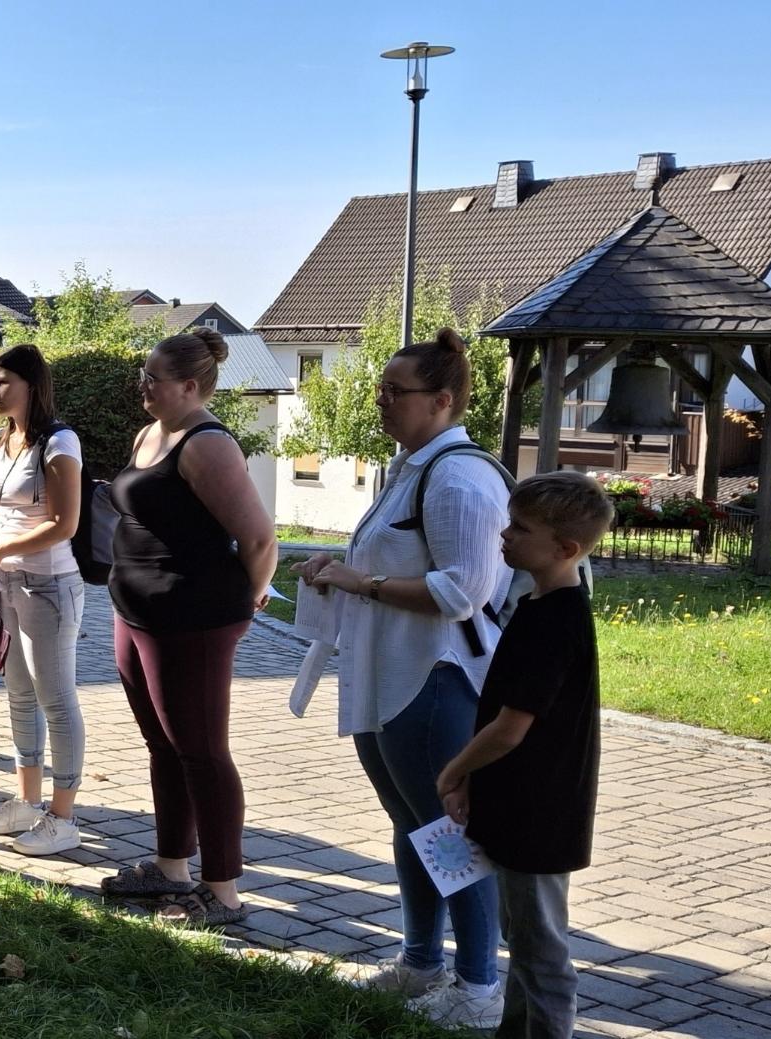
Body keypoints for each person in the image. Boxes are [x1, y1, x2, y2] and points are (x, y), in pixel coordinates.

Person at [297, 328, 512, 1026]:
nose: (382, 400)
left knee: (447, 835)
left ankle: (478, 988)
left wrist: (364, 581)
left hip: (434, 676)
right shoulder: (414, 467)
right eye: (381, 388)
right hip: (388, 671)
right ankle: (422, 961)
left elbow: (462, 591)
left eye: (397, 391)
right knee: (410, 825)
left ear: (442, 400)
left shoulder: (459, 476)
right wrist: (339, 578)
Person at [102, 329, 277, 926]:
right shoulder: (150, 434)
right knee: (164, 746)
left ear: (190, 385)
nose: (143, 386)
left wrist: (245, 602)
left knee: (201, 751)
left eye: (153, 377)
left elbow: (258, 539)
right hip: (136, 612)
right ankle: (170, 867)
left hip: (191, 618)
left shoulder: (207, 444)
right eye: (143, 375)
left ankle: (222, 891)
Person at [438, 472, 612, 1039]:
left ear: (565, 548)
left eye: (520, 527)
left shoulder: (558, 620)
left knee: (541, 951)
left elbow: (511, 729)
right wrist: (473, 785)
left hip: (542, 811)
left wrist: (454, 769)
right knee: (522, 938)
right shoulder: (536, 605)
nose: (504, 535)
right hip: (514, 802)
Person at [0, 344, 91, 858]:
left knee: (55, 697)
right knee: (19, 691)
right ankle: (28, 802)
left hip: (50, 585)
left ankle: (63, 817)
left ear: (30, 385)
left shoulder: (60, 442)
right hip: (10, 584)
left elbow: (65, 524)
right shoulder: (4, 440)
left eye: (5, 382)